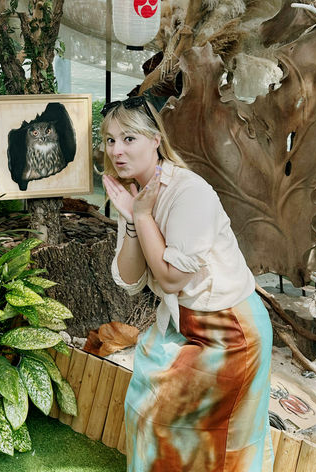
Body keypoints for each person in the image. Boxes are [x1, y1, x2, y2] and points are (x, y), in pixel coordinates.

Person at [101, 96, 273, 472]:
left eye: (128, 139)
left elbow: (171, 278)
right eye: (110, 140)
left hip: (231, 330)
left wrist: (142, 216)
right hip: (185, 323)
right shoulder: (134, 194)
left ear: (155, 140)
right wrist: (132, 219)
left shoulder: (189, 192)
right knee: (147, 414)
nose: (116, 150)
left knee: (220, 442)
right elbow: (129, 280)